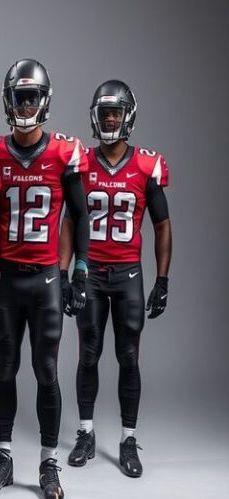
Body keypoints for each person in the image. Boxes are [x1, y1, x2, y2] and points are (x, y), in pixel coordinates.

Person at [0, 59, 90, 499]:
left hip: (45, 280)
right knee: (4, 369)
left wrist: (76, 273)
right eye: (18, 96)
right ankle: (3, 456)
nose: (24, 104)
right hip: (5, 277)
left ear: (43, 101)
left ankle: (47, 462)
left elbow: (79, 216)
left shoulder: (65, 152)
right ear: (8, 101)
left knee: (46, 372)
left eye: (31, 97)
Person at [61, 80, 171, 478]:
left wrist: (162, 279)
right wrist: (68, 271)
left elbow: (162, 224)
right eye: (104, 112)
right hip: (90, 275)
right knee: (87, 353)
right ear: (94, 116)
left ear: (128, 117)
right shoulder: (81, 163)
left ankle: (127, 438)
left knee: (128, 357)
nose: (110, 118)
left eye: (116, 112)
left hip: (128, 275)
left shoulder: (146, 164)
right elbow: (70, 221)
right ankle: (86, 432)